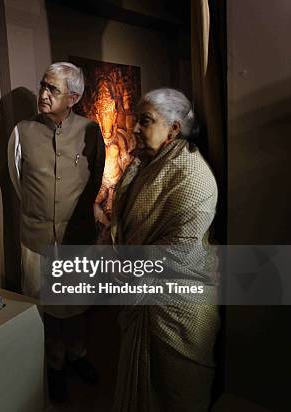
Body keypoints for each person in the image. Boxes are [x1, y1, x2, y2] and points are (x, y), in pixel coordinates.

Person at [110, 88, 219, 411]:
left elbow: (178, 252)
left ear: (173, 128)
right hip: (142, 293)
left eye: (145, 121)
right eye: (136, 121)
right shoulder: (145, 162)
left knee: (177, 392)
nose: (134, 129)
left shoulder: (193, 176)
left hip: (177, 304)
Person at [7, 62, 105, 401]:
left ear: (73, 97)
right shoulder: (21, 131)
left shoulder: (91, 131)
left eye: (53, 89)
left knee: (77, 305)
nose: (43, 94)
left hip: (76, 238)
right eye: (43, 86)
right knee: (45, 306)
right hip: (36, 239)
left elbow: (94, 181)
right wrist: (43, 213)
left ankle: (77, 354)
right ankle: (54, 363)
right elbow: (20, 182)